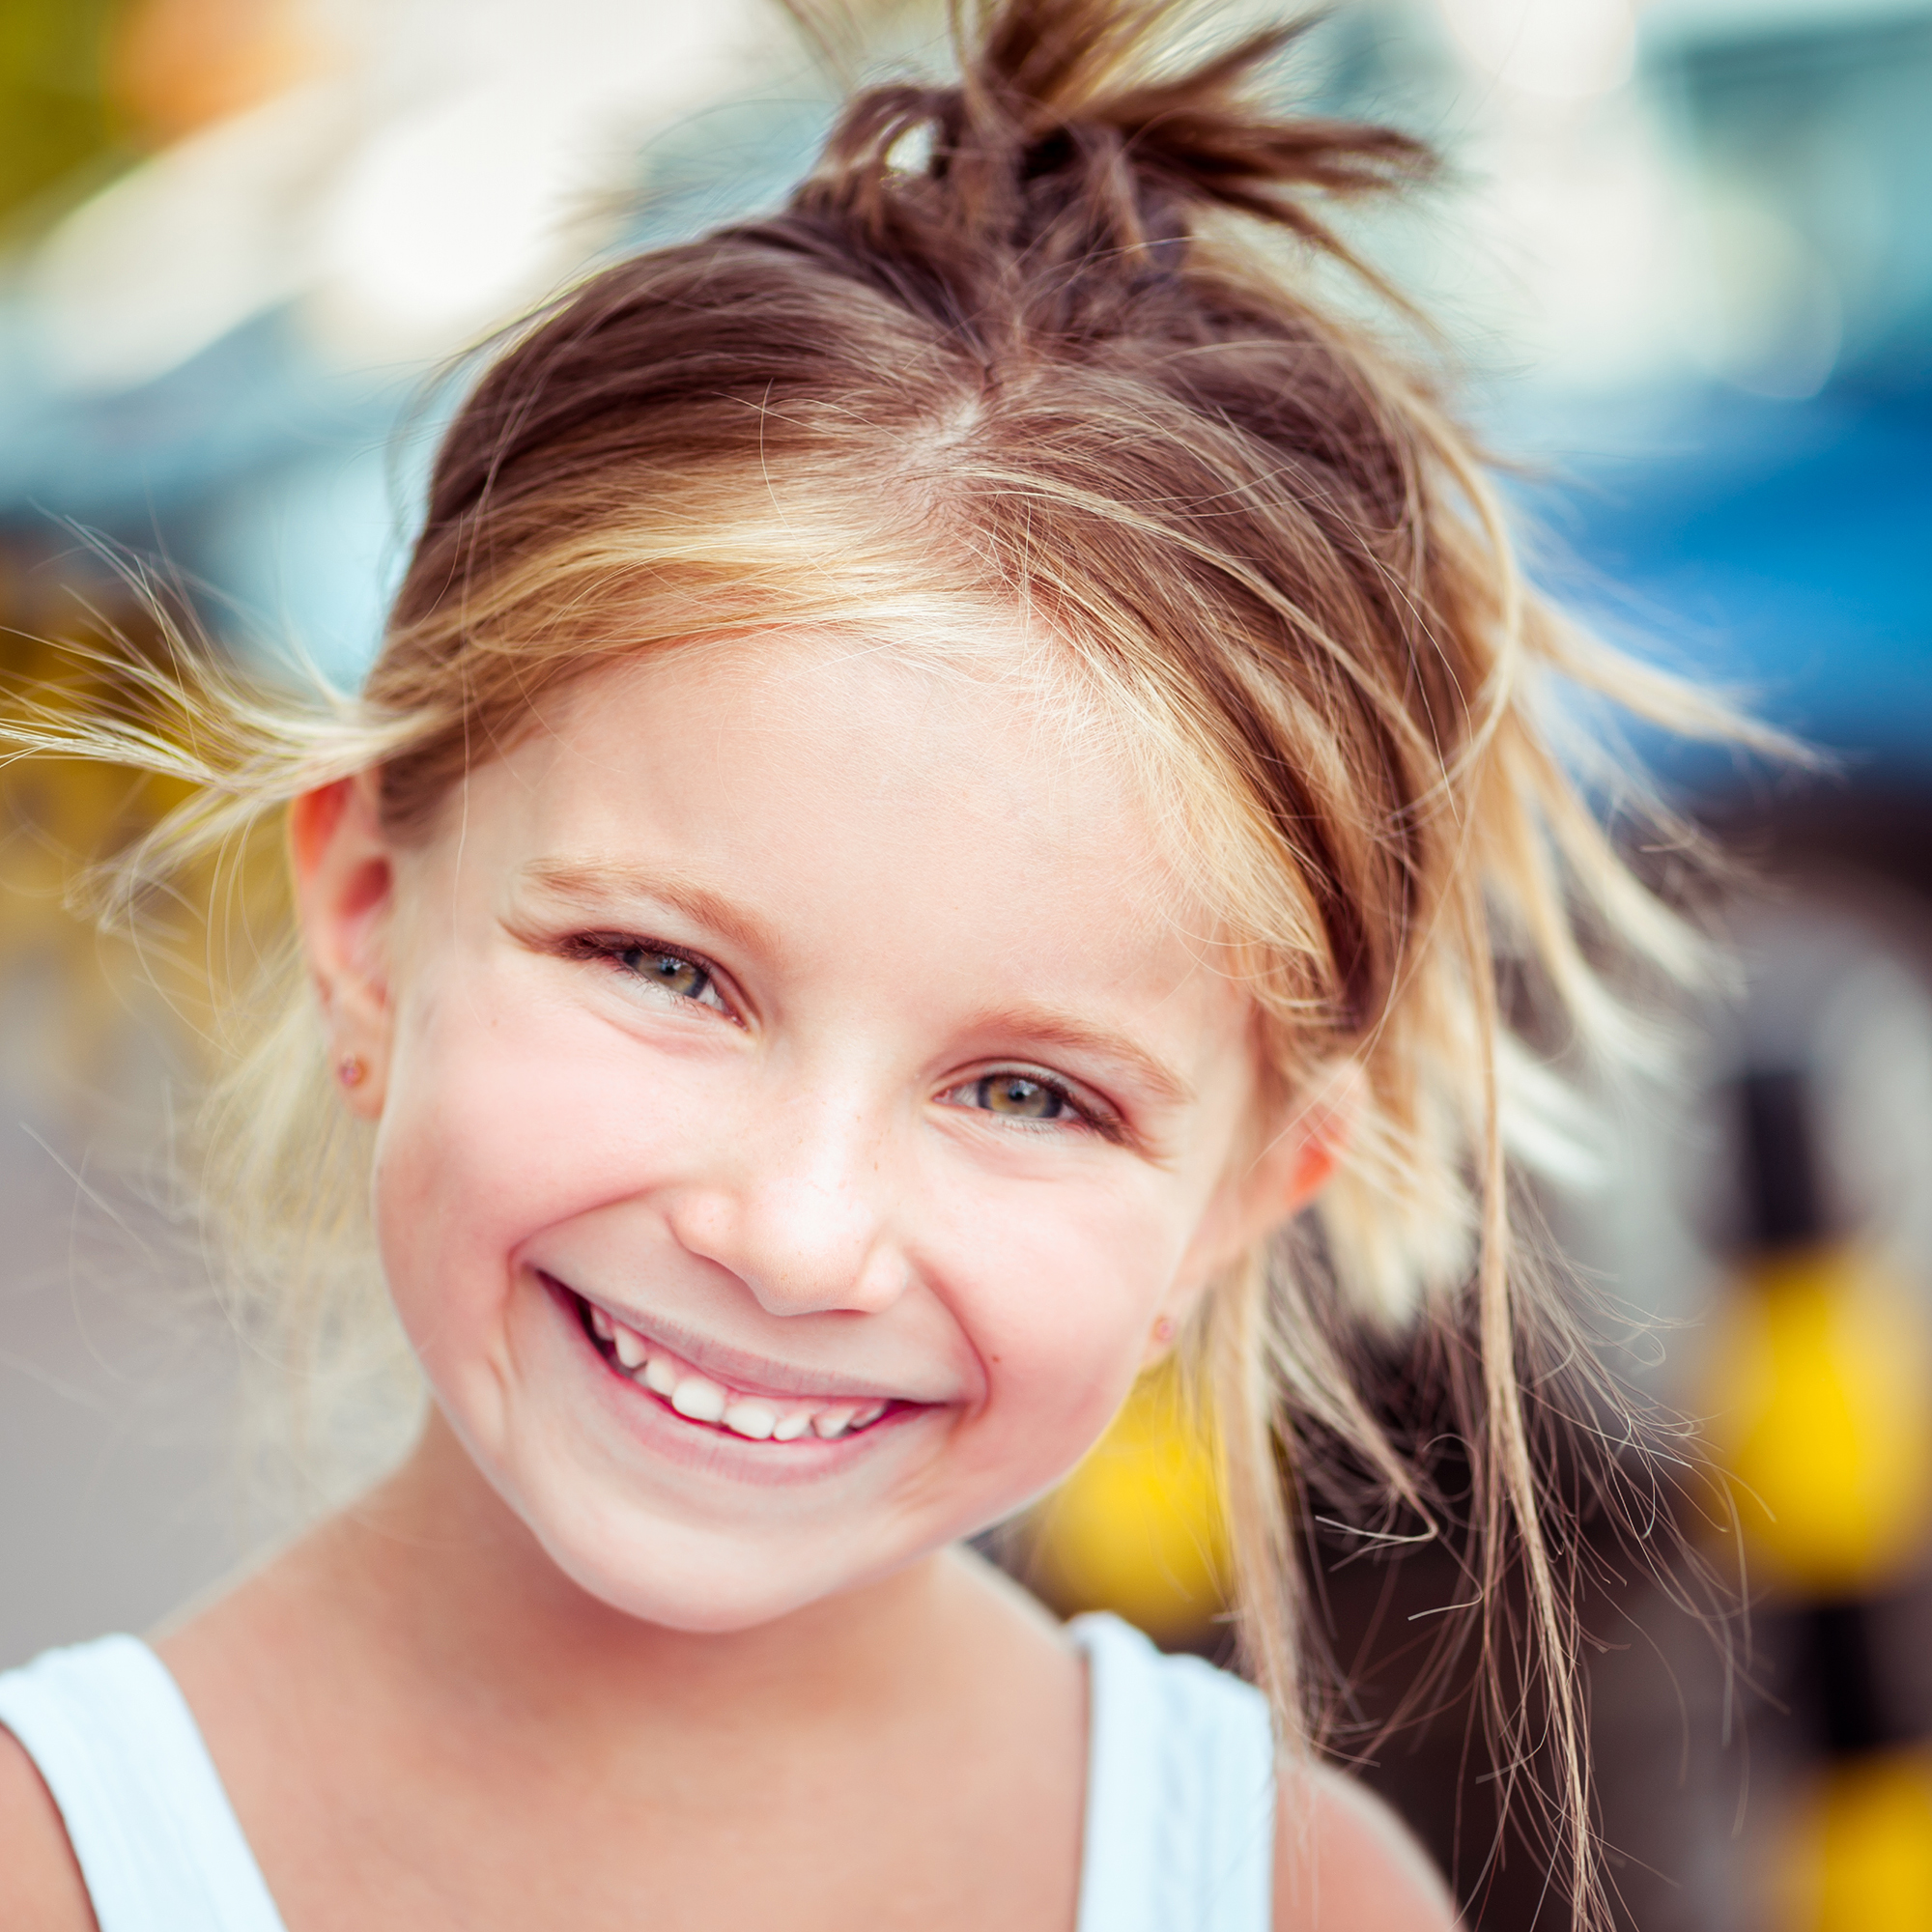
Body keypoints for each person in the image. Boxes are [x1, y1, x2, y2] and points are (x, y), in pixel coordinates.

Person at [0, 1, 1740, 1923]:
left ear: (1244, 1195)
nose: (796, 1235)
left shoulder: (1293, 1894)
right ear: (363, 926)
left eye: (1027, 1091)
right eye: (664, 970)